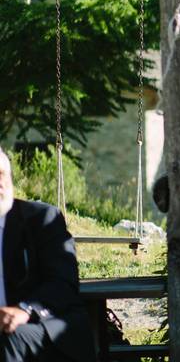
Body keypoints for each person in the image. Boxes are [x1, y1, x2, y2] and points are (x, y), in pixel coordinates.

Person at [0, 150, 96, 362]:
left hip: (46, 326)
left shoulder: (41, 219)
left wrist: (25, 309)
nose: (1, 184)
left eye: (3, 175)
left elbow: (63, 283)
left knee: (10, 339)